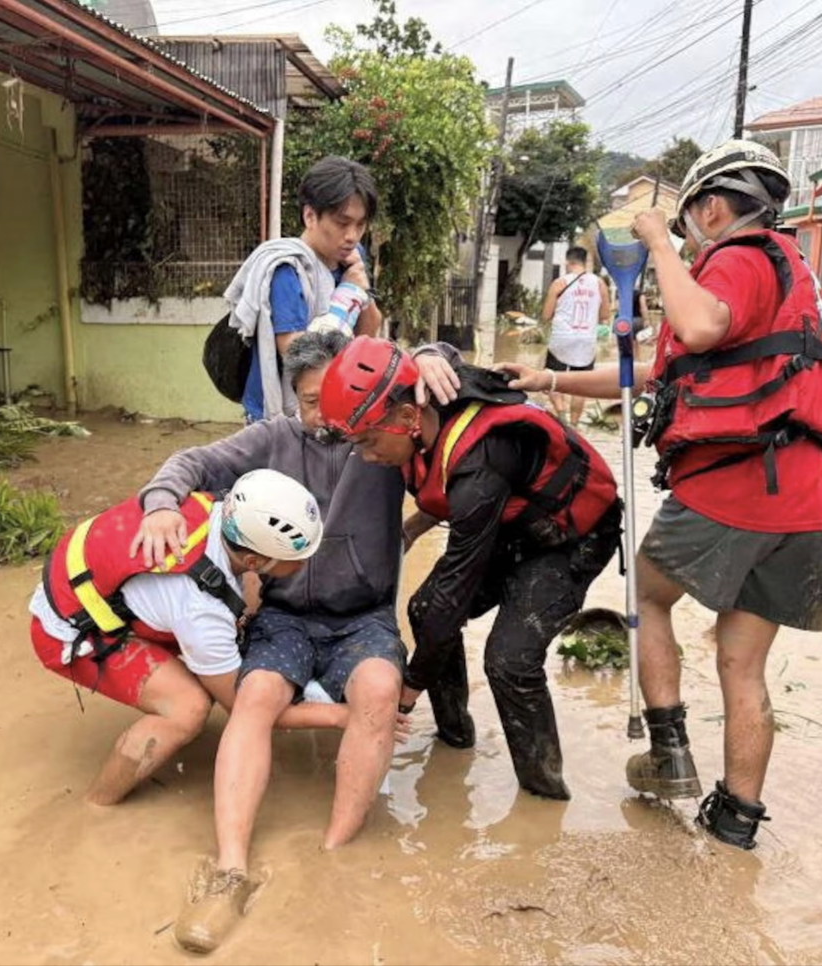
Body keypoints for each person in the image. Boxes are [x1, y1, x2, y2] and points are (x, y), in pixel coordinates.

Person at [496, 139, 822, 850]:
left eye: (687, 219)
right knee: (742, 662)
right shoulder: (793, 280)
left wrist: (657, 240)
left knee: (647, 592)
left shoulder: (740, 261)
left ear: (711, 208)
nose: (684, 233)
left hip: (736, 488)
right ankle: (734, 822)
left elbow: (698, 327)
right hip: (803, 505)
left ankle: (668, 753)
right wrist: (550, 381)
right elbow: (651, 379)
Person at [134, 330, 461, 954]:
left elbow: (434, 386)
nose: (323, 417)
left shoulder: (377, 436)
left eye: (329, 400)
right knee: (254, 694)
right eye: (308, 402)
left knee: (379, 688)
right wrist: (160, 504)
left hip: (363, 615)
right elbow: (192, 463)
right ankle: (230, 866)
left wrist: (431, 356)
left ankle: (333, 858)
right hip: (283, 616)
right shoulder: (272, 439)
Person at [319, 336, 623, 802]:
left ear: (406, 419)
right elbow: (441, 361)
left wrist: (409, 689)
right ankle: (455, 739)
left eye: (368, 442)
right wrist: (419, 524)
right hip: (513, 523)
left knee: (509, 660)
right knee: (422, 610)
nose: (366, 456)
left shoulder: (482, 460)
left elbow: (456, 593)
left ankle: (543, 798)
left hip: (570, 538)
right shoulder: (429, 395)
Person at [30, 468, 338, 806]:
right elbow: (245, 707)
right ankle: (98, 803)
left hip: (91, 585)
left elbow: (244, 589)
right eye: (298, 560)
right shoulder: (200, 609)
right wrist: (340, 716)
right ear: (253, 558)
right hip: (66, 631)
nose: (306, 564)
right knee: (188, 708)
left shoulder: (219, 507)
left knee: (247, 604)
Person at [224, 156, 383, 423]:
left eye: (360, 224)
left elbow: (368, 332)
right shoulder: (288, 269)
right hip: (280, 414)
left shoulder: (353, 258)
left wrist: (360, 291)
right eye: (342, 223)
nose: (352, 236)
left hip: (332, 404)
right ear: (310, 216)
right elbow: (298, 354)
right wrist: (347, 297)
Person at [541, 246, 611, 427]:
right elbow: (605, 315)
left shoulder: (559, 283)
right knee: (580, 384)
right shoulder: (599, 283)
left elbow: (546, 315)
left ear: (568, 262)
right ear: (585, 261)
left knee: (553, 379)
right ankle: (574, 425)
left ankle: (561, 414)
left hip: (561, 339)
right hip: (586, 339)